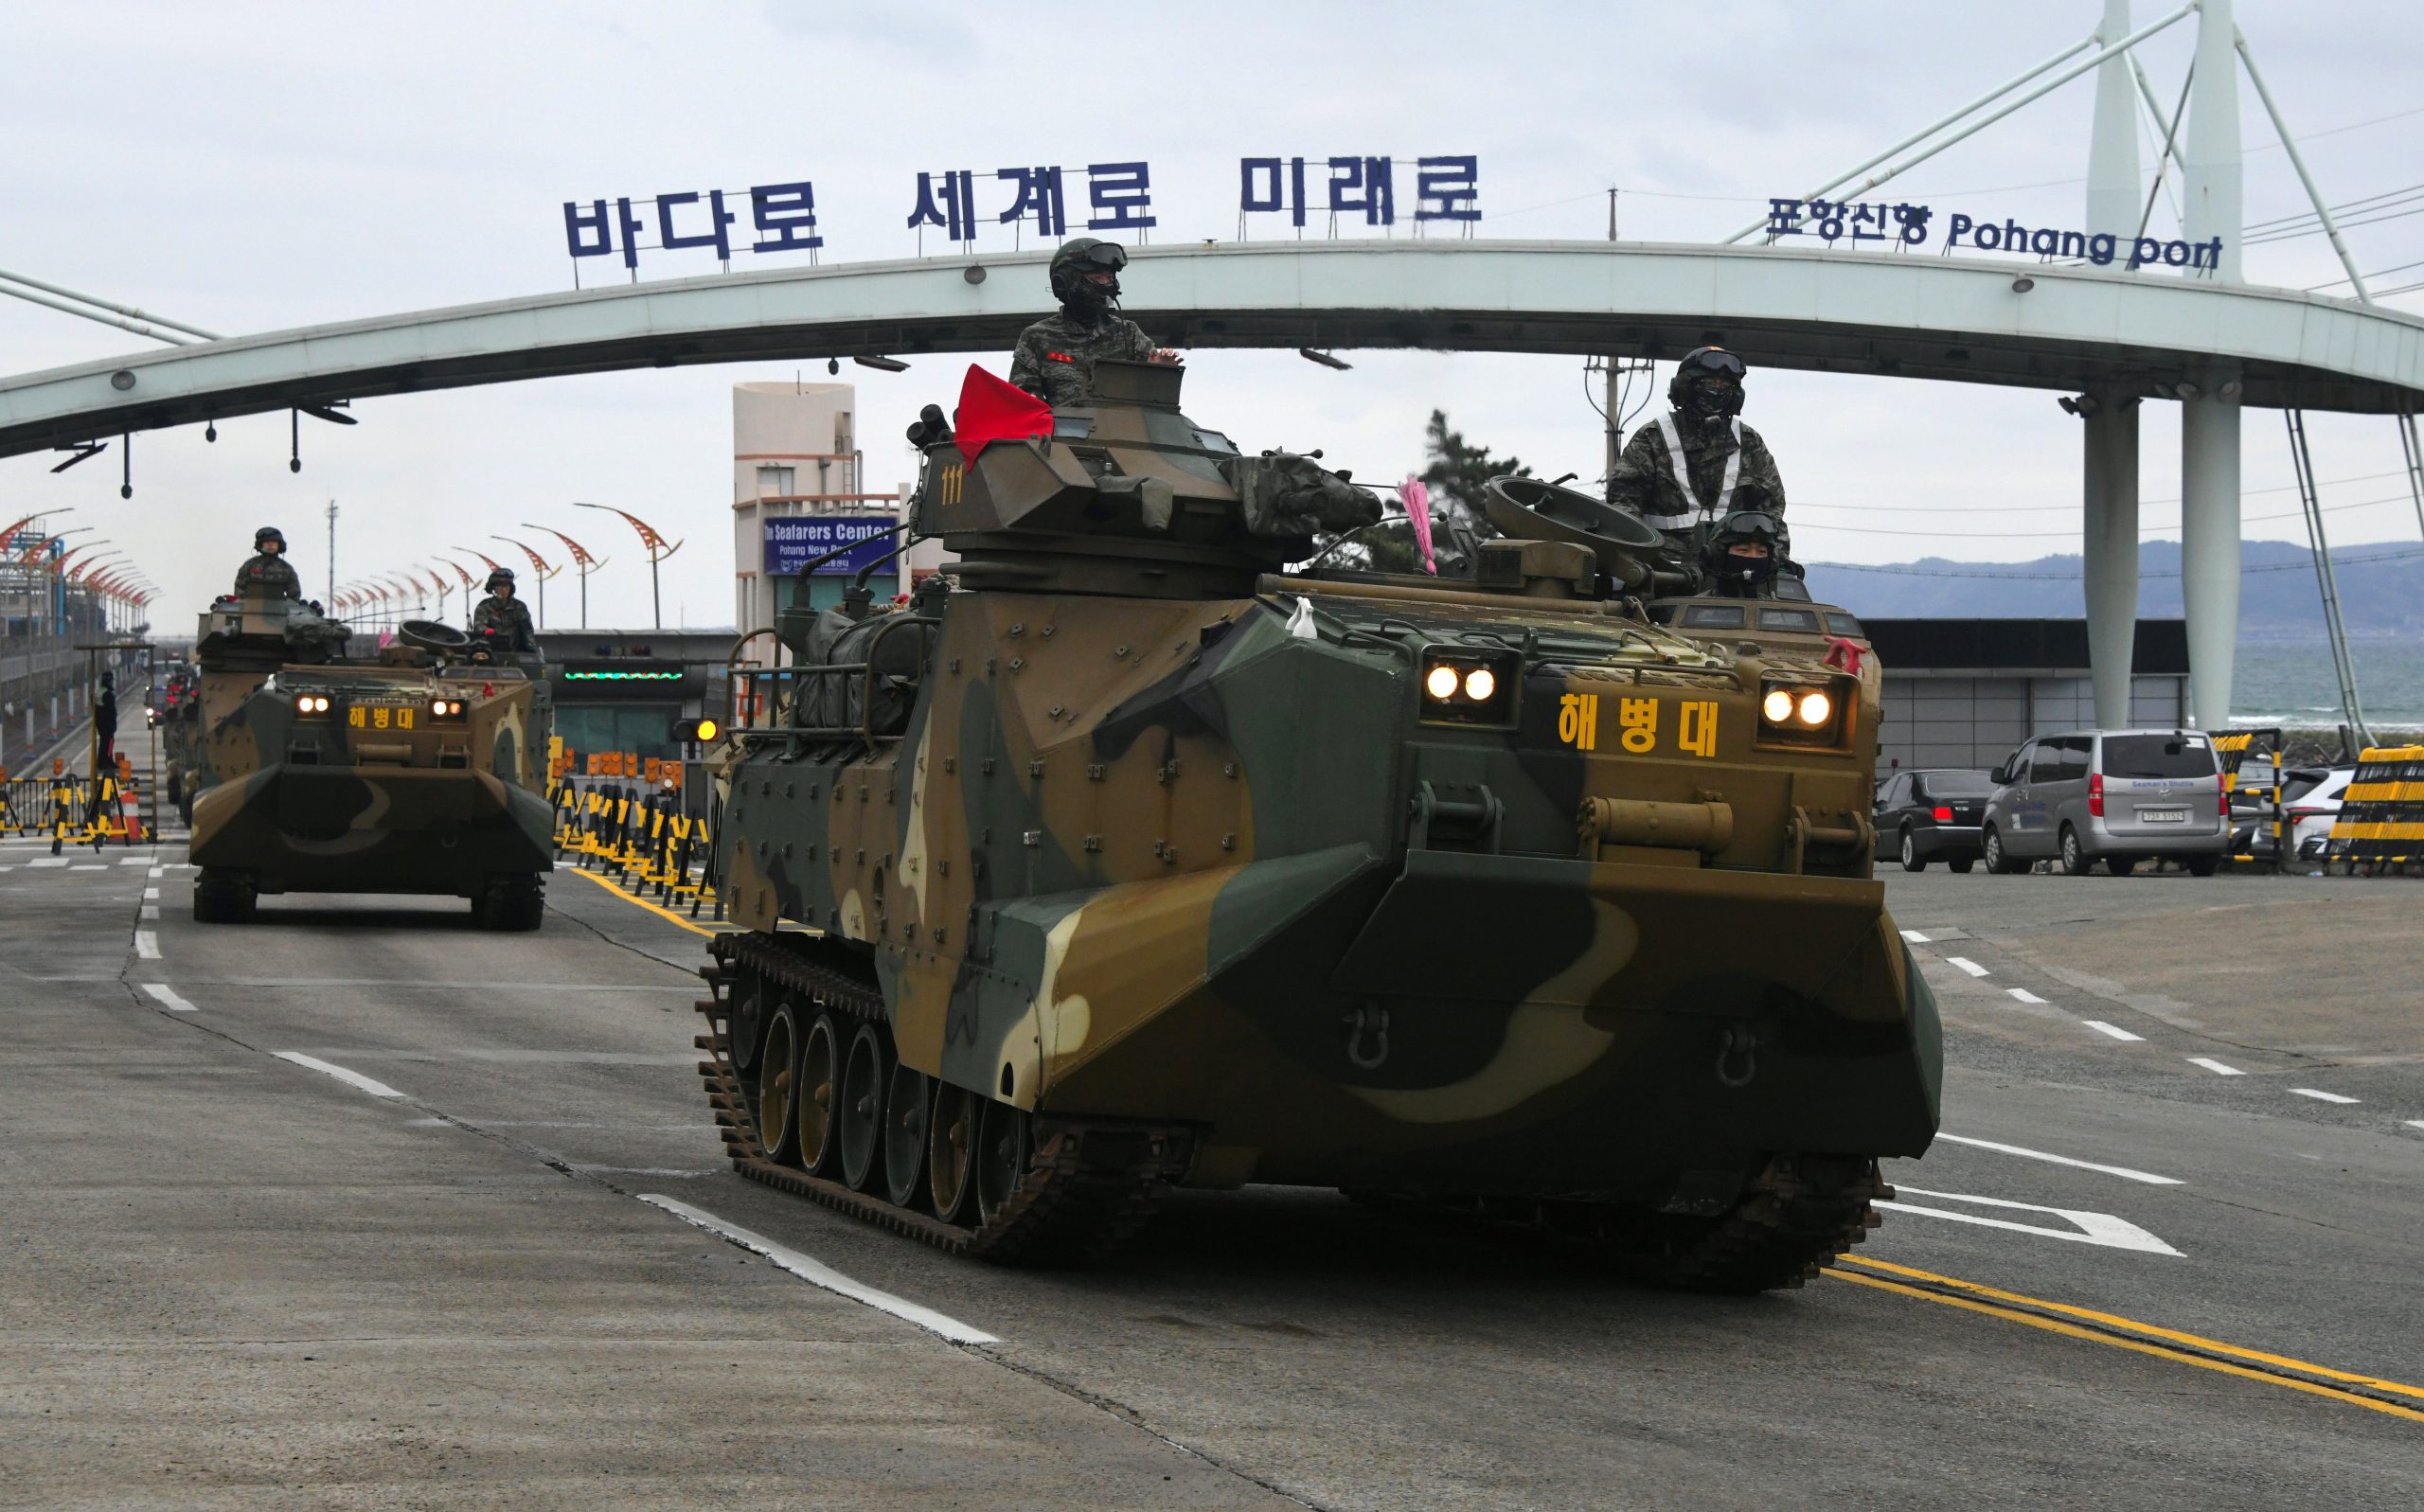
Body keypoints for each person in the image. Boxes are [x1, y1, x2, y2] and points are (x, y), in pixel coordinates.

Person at [1618, 347, 1788, 555]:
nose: (1717, 390)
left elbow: (1772, 510)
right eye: (1709, 383)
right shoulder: (1653, 438)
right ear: (1685, 388)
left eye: (1725, 384)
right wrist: (1634, 554)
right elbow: (1623, 503)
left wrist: (1777, 558)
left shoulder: (1749, 443)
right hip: (1663, 564)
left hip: (1731, 565)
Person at [1007, 238, 1181, 407]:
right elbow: (1024, 405)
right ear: (1065, 282)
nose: (1105, 284)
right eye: (1097, 277)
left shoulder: (1128, 333)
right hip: (1060, 435)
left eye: (1109, 278)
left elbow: (1156, 403)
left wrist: (1159, 371)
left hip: (1124, 432)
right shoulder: (1037, 337)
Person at [1699, 509, 1790, 598]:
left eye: (1761, 552)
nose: (1753, 556)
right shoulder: (1695, 609)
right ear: (1718, 556)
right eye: (1744, 550)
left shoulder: (1776, 611)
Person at [470, 567, 537, 653]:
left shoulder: (519, 607)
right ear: (494, 588)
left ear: (511, 588)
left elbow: (528, 630)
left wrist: (531, 647)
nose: (504, 590)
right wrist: (486, 630)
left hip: (515, 652)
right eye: (500, 586)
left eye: (506, 586)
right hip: (490, 651)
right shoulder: (484, 606)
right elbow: (478, 626)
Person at [232, 525, 302, 598]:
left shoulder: (286, 568)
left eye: (274, 541)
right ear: (261, 544)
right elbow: (239, 588)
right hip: (251, 606)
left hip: (278, 607)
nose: (270, 544)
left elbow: (294, 592)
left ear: (279, 544)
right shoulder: (250, 565)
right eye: (267, 541)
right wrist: (244, 602)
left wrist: (286, 604)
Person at [93, 670, 117, 771]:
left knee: (104, 742)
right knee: (109, 742)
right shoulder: (107, 694)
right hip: (107, 723)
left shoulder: (99, 691)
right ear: (110, 681)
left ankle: (103, 761)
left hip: (100, 722)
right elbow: (110, 709)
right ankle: (107, 761)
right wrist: (113, 723)